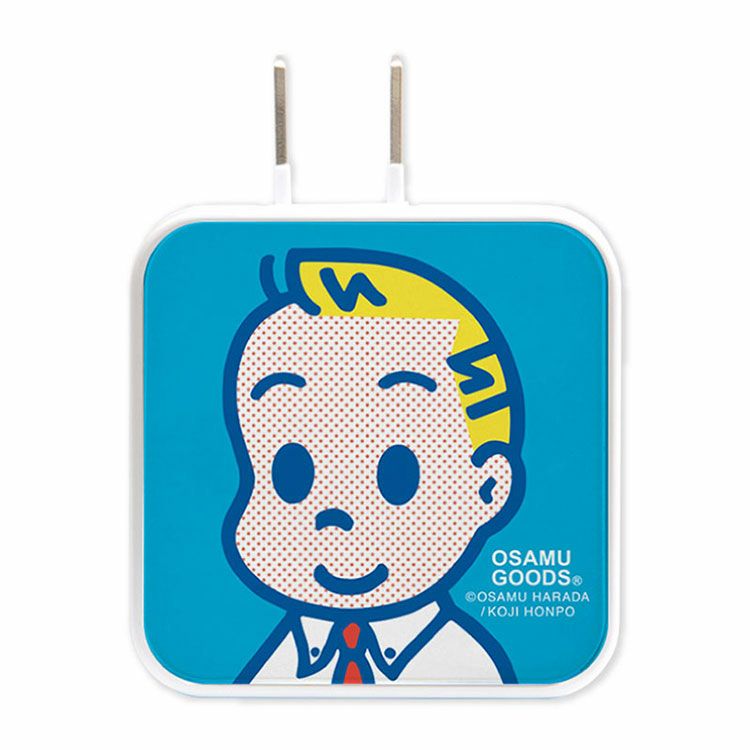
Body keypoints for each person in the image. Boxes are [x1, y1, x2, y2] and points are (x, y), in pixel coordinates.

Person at [222, 248, 525, 685]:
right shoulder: (270, 673)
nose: (337, 514)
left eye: (398, 477)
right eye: (291, 475)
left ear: (487, 487)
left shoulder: (475, 674)